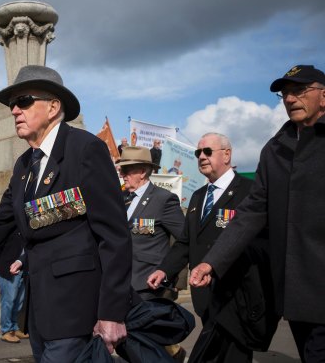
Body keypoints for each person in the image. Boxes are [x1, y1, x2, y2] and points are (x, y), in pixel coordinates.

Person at [0, 65, 137, 363]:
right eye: (12, 105)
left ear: (54, 107)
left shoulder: (85, 149)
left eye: (24, 101)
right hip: (39, 311)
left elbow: (114, 236)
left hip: (76, 308)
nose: (14, 110)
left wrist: (111, 312)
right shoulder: (25, 165)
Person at [190, 65, 325, 362]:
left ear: (323, 95)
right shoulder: (275, 149)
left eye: (299, 91)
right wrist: (211, 263)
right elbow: (251, 212)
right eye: (285, 93)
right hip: (297, 292)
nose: (290, 99)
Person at [149, 133, 276, 362]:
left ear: (227, 154)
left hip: (237, 297)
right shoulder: (198, 197)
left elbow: (262, 242)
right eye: (198, 153)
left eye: (208, 151)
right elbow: (185, 243)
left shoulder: (250, 192)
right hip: (206, 297)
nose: (201, 157)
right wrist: (165, 269)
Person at [117, 146, 186, 362]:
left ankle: (171, 352)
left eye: (128, 169)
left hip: (148, 283)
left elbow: (184, 240)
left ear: (143, 171)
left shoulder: (164, 199)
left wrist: (171, 273)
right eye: (122, 168)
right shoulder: (122, 199)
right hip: (123, 280)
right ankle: (173, 352)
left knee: (138, 338)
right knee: (132, 338)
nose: (122, 174)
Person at [0, 231, 28, 344]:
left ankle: (14, 328)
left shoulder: (25, 227)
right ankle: (6, 331)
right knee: (8, 301)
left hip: (23, 269)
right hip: (7, 269)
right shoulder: (9, 228)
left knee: (19, 302)